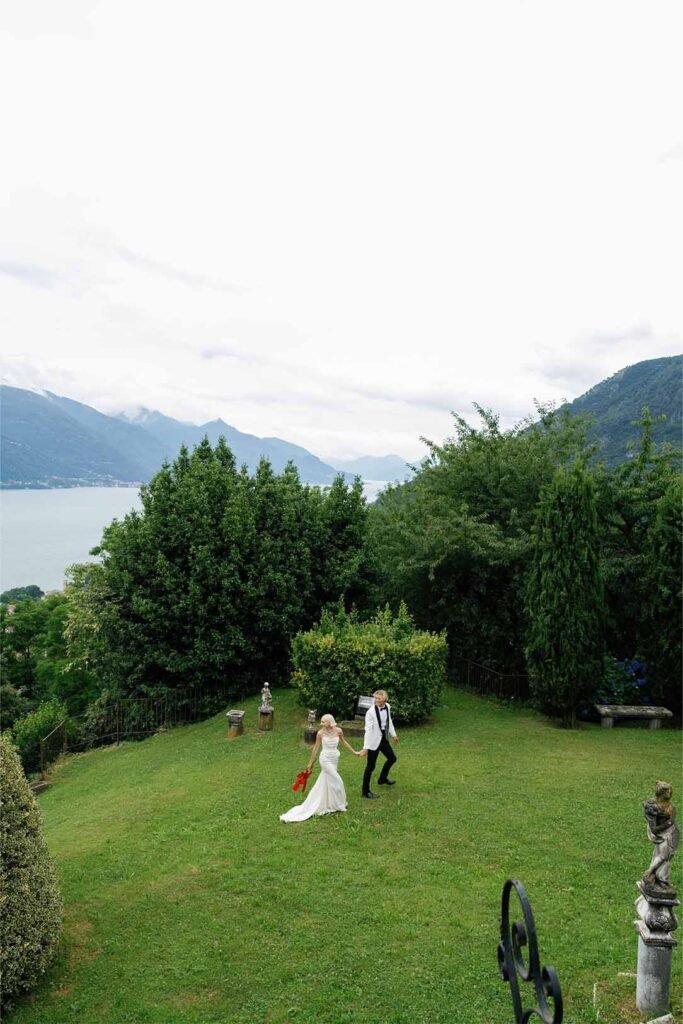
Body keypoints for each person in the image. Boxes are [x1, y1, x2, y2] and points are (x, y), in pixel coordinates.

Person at [280, 714, 362, 823]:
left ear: (330, 722)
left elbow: (344, 742)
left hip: (334, 758)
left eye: (323, 722)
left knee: (329, 781)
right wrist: (310, 763)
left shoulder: (339, 731)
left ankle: (332, 803)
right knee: (338, 781)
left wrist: (355, 752)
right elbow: (315, 748)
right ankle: (340, 804)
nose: (321, 723)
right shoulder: (320, 733)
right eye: (321, 722)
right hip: (325, 759)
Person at [359, 689, 399, 799]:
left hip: (383, 739)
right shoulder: (370, 712)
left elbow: (389, 721)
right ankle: (365, 791)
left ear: (384, 699)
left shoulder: (388, 707)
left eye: (378, 698)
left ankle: (382, 779)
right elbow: (368, 730)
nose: (376, 700)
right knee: (370, 767)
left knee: (392, 758)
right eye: (375, 698)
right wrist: (365, 748)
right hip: (373, 741)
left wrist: (394, 735)